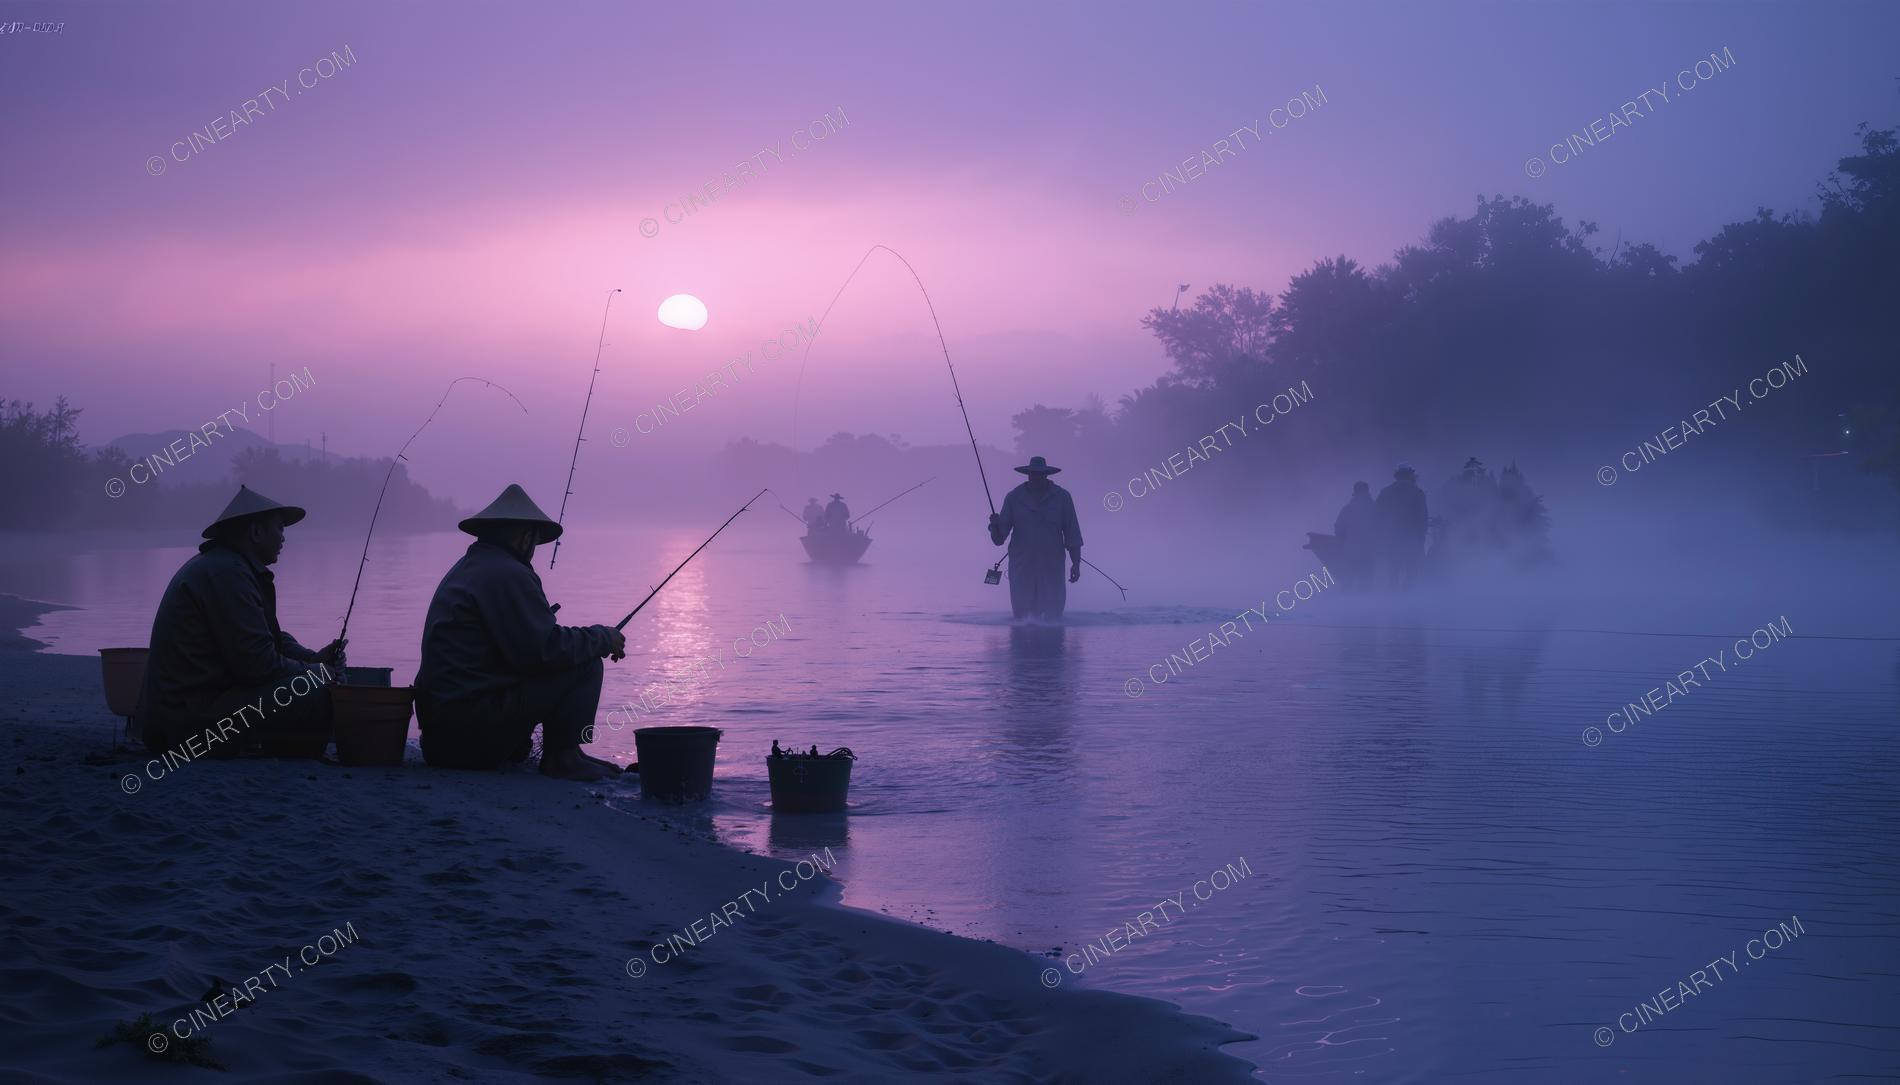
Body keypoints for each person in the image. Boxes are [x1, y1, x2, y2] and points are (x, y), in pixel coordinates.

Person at [415, 484, 627, 782]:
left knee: (577, 654)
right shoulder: (507, 573)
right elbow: (543, 652)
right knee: (586, 664)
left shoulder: (469, 567)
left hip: (440, 740)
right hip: (467, 738)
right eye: (534, 540)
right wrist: (602, 637)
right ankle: (562, 757)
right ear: (523, 536)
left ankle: (570, 751)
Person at [135, 485, 344, 757]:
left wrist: (313, 659)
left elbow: (270, 636)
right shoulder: (228, 574)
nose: (283, 538)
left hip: (186, 713)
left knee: (314, 680)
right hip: (187, 725)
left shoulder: (229, 567)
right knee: (315, 691)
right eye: (279, 528)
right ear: (256, 533)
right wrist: (314, 672)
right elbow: (258, 665)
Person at [988, 456, 1084, 621]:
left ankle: (1053, 644)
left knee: (1053, 614)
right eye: (1033, 474)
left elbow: (1072, 533)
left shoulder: (1062, 497)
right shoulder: (1014, 498)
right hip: (1022, 565)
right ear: (1028, 475)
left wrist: (1076, 564)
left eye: (1040, 475)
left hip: (1052, 564)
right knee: (1022, 615)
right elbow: (999, 539)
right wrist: (994, 526)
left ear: (1046, 475)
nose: (1036, 478)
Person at [1375, 464, 1428, 589]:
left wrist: (1380, 535)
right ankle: (1406, 596)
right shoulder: (1417, 492)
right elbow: (1423, 517)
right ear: (1411, 475)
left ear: (1397, 475)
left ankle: (1393, 595)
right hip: (1412, 537)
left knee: (1394, 569)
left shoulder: (1385, 491)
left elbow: (1377, 515)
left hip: (1391, 537)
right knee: (1412, 569)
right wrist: (1422, 538)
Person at [1332, 481, 1380, 588]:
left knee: (1348, 579)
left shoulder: (1347, 509)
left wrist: (1341, 543)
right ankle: (1363, 602)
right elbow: (1381, 528)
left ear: (1354, 492)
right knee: (1366, 579)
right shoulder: (1375, 508)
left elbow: (1338, 528)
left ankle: (1346, 602)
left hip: (1351, 549)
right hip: (1369, 549)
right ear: (1367, 492)